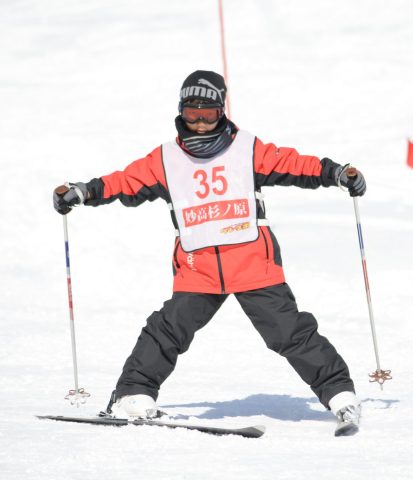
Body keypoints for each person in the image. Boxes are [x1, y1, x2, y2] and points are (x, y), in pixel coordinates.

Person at [53, 70, 366, 436]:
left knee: (290, 333)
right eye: (192, 114)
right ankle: (133, 396)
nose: (200, 124)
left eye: (208, 115)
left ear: (222, 112)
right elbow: (124, 182)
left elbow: (295, 164)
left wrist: (338, 173)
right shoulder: (166, 159)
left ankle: (340, 396)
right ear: (180, 112)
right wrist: (83, 191)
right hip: (197, 267)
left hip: (252, 264)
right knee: (166, 330)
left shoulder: (247, 149)